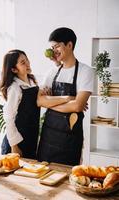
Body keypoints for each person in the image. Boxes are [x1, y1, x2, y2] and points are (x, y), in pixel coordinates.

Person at [37, 27, 94, 166]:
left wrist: (51, 103)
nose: (53, 50)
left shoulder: (86, 71)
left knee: (68, 180)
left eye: (57, 46)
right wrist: (68, 98)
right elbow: (40, 101)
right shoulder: (52, 71)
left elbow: (78, 106)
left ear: (69, 45)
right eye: (52, 47)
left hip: (70, 139)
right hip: (48, 136)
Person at [0, 49, 40, 159]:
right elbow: (9, 118)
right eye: (23, 62)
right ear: (13, 69)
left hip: (30, 138)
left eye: (27, 60)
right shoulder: (15, 88)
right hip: (17, 142)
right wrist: (14, 146)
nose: (27, 63)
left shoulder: (32, 81)